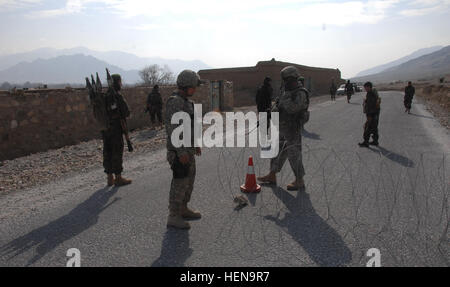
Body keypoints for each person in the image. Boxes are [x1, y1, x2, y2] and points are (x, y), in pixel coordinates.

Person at [257, 66, 309, 190]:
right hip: (282, 127)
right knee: (277, 152)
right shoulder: (285, 91)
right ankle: (272, 175)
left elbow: (293, 108)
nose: (285, 82)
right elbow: (277, 106)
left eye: (286, 79)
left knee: (294, 154)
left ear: (292, 78)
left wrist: (284, 101)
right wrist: (271, 112)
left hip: (292, 129)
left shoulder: (300, 93)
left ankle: (299, 179)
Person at [164, 70, 203, 229]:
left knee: (189, 181)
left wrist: (195, 145)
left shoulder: (187, 102)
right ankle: (173, 216)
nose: (195, 90)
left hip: (188, 150)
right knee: (180, 182)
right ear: (186, 86)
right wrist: (180, 152)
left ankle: (183, 208)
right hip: (179, 151)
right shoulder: (175, 102)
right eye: (193, 87)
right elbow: (173, 128)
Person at [102, 74, 132, 186]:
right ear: (117, 82)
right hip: (116, 128)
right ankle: (118, 177)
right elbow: (126, 112)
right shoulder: (116, 96)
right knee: (117, 151)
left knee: (107, 151)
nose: (121, 84)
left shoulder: (104, 96)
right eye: (120, 81)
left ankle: (109, 178)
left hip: (105, 128)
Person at [359, 81, 380, 147]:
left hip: (372, 114)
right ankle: (375, 141)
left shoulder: (371, 94)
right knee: (374, 128)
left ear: (369, 87)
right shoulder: (372, 93)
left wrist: (369, 116)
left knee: (367, 128)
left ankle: (366, 142)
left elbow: (371, 106)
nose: (365, 88)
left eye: (366, 87)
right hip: (375, 114)